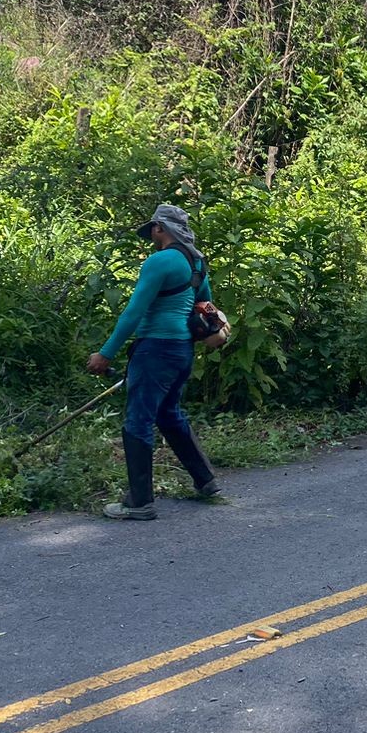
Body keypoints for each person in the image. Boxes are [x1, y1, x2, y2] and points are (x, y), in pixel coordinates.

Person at [87, 203, 223, 520]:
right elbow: (206, 306)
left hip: (155, 349)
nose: (151, 234)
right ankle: (206, 480)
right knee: (168, 413)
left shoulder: (159, 262)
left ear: (160, 228)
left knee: (138, 419)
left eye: (152, 229)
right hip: (182, 352)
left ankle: (139, 502)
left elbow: (134, 312)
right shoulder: (196, 262)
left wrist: (105, 354)